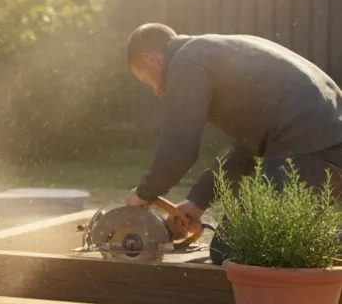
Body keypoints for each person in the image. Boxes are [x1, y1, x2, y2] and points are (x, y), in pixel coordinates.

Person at [122, 23, 342, 233]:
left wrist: (144, 193)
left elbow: (180, 147)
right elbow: (246, 151)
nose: (156, 91)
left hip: (311, 151)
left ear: (150, 59)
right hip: (322, 146)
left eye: (146, 80)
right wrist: (199, 200)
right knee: (243, 246)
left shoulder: (185, 62)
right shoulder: (213, 50)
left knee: (236, 249)